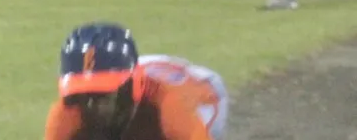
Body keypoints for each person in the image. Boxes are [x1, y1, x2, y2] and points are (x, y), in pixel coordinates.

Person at [45, 22, 228, 140]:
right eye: (83, 96)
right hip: (132, 68)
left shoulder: (170, 108)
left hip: (201, 89)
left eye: (103, 95)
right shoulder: (66, 115)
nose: (93, 106)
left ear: (130, 88)